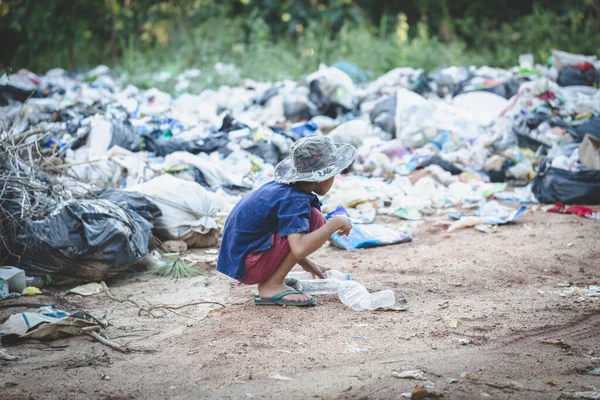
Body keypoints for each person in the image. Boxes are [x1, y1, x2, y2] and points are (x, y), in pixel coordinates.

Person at [217, 136, 356, 306]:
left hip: (241, 259)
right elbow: (298, 248)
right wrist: (335, 223)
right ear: (321, 177)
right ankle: (272, 284)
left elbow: (289, 237)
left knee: (313, 218)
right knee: (316, 220)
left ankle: (273, 278)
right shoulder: (295, 200)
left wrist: (308, 264)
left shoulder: (285, 190)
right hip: (248, 265)